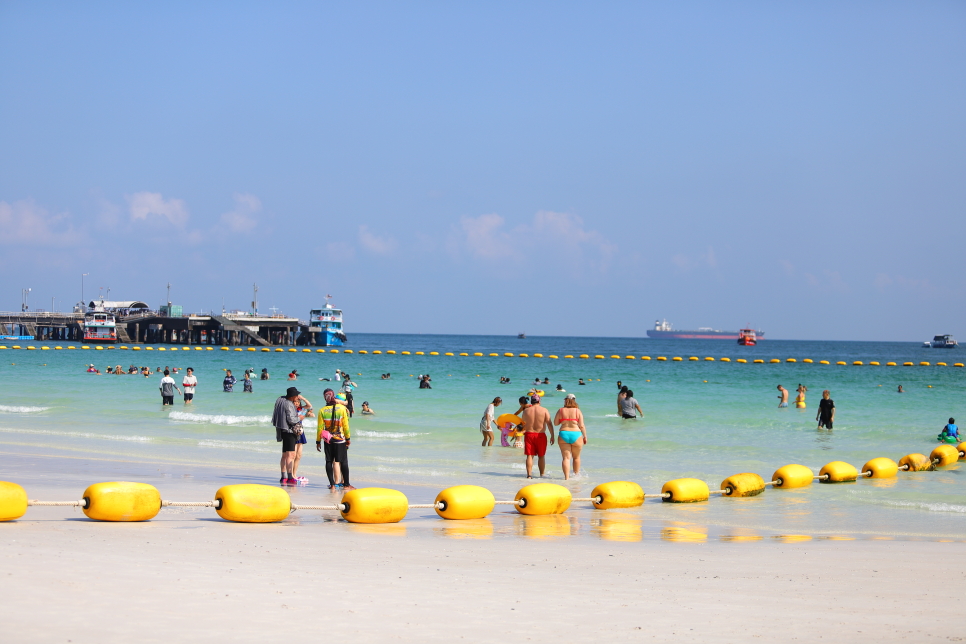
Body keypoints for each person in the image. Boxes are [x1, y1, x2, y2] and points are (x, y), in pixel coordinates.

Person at [317, 389, 354, 490]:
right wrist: (348, 438)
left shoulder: (322, 410)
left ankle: (332, 484)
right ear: (333, 396)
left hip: (328, 440)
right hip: (340, 440)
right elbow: (345, 426)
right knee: (343, 461)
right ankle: (346, 484)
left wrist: (318, 441)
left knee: (329, 461)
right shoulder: (342, 409)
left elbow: (320, 428)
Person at [272, 386, 303, 486]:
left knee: (284, 455)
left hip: (282, 430)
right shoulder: (289, 404)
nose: (298, 397)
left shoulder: (281, 400)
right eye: (296, 395)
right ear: (292, 396)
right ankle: (290, 477)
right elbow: (291, 419)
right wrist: (300, 417)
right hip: (289, 431)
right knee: (291, 455)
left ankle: (283, 476)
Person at [554, 393, 587, 480]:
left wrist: (563, 420)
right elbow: (582, 425)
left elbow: (556, 423)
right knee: (576, 457)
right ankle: (576, 476)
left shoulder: (560, 410)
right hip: (576, 434)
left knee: (566, 458)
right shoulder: (577, 411)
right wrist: (585, 436)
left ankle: (567, 478)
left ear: (565, 400)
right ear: (574, 400)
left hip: (563, 434)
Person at [520, 395, 553, 478]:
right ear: (539, 401)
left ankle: (529, 475)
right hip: (540, 435)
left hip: (529, 434)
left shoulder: (526, 411)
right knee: (541, 456)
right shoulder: (544, 410)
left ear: (531, 401)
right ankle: (542, 474)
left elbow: (523, 424)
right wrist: (552, 435)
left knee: (529, 456)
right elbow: (549, 423)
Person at [291, 394, 314, 483]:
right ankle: (291, 475)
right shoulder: (291, 410)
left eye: (297, 402)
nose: (296, 403)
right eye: (295, 402)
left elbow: (309, 406)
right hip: (293, 431)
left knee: (299, 455)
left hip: (300, 431)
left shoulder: (302, 409)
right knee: (293, 455)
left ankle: (294, 474)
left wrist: (303, 398)